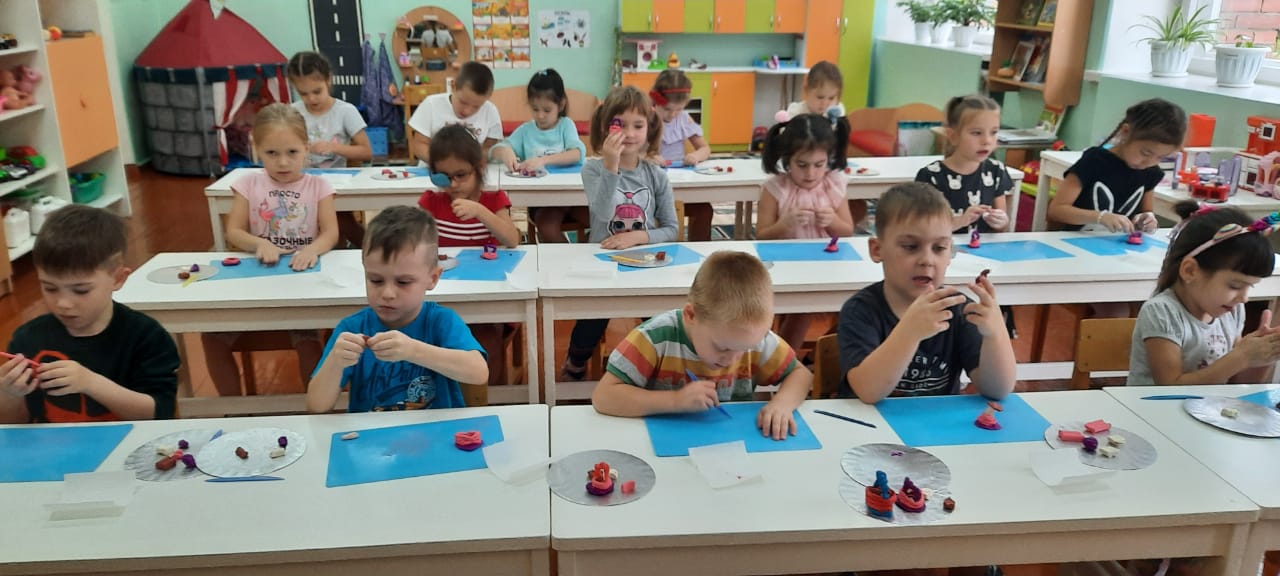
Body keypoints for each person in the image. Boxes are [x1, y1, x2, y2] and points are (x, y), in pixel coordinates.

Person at [592, 251, 813, 440]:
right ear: (691, 315)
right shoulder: (655, 338)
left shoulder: (750, 338)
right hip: (662, 442)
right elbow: (604, 397)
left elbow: (800, 374)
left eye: (745, 349)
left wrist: (782, 404)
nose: (732, 359)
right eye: (723, 348)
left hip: (726, 442)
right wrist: (675, 401)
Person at [202, 103, 339, 396]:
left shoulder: (319, 186)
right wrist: (260, 243)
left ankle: (316, 406)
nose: (283, 162)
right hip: (257, 284)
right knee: (212, 337)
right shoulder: (248, 183)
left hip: (301, 285)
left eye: (292, 152)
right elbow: (234, 231)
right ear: (257, 150)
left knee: (308, 340)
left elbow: (330, 233)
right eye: (272, 153)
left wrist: (313, 250)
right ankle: (233, 410)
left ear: (306, 148)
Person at [837, 182, 1016, 403]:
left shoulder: (959, 309)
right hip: (869, 422)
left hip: (939, 424)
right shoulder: (861, 310)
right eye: (910, 247)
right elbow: (868, 391)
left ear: (950, 253)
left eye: (939, 248)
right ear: (877, 249)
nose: (927, 260)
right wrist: (910, 332)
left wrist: (995, 334)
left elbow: (996, 390)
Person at [0, 205, 179, 423]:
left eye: (81, 290)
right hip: (52, 444)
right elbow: (14, 426)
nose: (63, 303)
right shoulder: (28, 339)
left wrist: (90, 383)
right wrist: (9, 394)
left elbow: (158, 414)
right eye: (50, 288)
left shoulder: (145, 336)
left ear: (118, 279)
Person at [306, 206, 488, 413]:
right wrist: (335, 362)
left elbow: (478, 372)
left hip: (435, 430)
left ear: (432, 279)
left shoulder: (441, 321)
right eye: (376, 280)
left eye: (403, 282)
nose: (388, 293)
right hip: (372, 432)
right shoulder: (352, 328)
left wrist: (413, 351)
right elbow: (316, 406)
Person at [559, 85, 679, 382]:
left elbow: (672, 228)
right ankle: (576, 361)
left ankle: (654, 365)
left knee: (658, 318)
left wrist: (639, 237)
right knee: (591, 319)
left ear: (649, 129)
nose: (629, 133)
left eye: (638, 125)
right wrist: (611, 166)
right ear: (606, 128)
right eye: (620, 125)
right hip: (602, 261)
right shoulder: (593, 170)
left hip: (645, 262)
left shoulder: (656, 175)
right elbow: (602, 214)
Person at [1127, 201, 1280, 386]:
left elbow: (1237, 383)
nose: (1244, 298)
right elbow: (1169, 387)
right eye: (1235, 285)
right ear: (1190, 271)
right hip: (1154, 405)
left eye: (1250, 287)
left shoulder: (1231, 311)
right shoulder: (1162, 312)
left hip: (1210, 404)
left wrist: (1263, 356)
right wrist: (1241, 357)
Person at [417, 123, 518, 392]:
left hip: (486, 299)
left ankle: (490, 397)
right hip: (442, 298)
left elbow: (512, 239)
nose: (453, 184)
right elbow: (415, 243)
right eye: (443, 177)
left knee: (488, 342)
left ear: (479, 168)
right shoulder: (431, 201)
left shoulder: (494, 199)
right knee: (425, 340)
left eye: (461, 175)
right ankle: (444, 397)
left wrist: (481, 211)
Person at [754, 112, 854, 352]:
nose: (810, 174)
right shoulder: (775, 188)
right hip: (787, 267)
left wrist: (832, 221)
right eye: (802, 165)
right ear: (787, 159)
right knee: (802, 312)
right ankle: (783, 360)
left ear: (829, 158)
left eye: (819, 165)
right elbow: (761, 236)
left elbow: (848, 231)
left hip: (827, 265)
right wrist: (784, 224)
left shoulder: (833, 184)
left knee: (853, 308)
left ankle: (819, 354)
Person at [1047, 98, 1186, 233]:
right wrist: (1100, 217)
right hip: (1075, 240)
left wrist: (1148, 219)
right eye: (1145, 153)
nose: (1150, 162)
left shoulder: (1150, 172)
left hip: (1117, 244)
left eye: (1161, 157)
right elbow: (1056, 210)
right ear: (1125, 132)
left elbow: (1146, 211)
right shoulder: (1094, 161)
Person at [491, 68, 589, 244]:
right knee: (547, 228)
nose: (540, 115)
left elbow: (577, 153)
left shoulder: (565, 125)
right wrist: (505, 151)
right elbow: (495, 150)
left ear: (561, 104)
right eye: (535, 109)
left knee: (603, 219)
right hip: (543, 201)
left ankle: (584, 254)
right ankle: (566, 258)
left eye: (547, 110)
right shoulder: (526, 131)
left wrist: (543, 160)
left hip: (571, 196)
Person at [287, 50, 372, 247]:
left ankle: (371, 250)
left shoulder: (345, 111)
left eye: (317, 91)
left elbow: (366, 152)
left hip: (336, 186)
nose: (311, 99)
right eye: (303, 93)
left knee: (342, 222)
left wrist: (334, 147)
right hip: (299, 184)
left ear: (329, 80)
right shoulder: (292, 112)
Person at [916, 94, 1013, 234]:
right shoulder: (931, 176)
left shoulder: (996, 170)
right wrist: (960, 221)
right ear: (953, 136)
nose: (987, 140)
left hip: (983, 247)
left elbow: (1002, 227)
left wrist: (1001, 223)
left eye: (993, 132)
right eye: (977, 133)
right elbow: (923, 228)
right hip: (945, 246)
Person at [651, 69, 713, 241]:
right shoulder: (644, 118)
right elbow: (631, 153)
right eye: (667, 109)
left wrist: (696, 156)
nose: (672, 115)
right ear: (656, 101)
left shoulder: (684, 118)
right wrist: (648, 156)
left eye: (678, 109)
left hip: (679, 185)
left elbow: (705, 148)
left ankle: (699, 249)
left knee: (704, 210)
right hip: (652, 188)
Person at [408, 61, 502, 163]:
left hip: (470, 171)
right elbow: (419, 145)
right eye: (463, 102)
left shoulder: (490, 111)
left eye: (476, 106)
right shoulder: (431, 104)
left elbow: (490, 148)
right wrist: (442, 164)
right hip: (432, 169)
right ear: (453, 86)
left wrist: (470, 164)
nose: (467, 111)